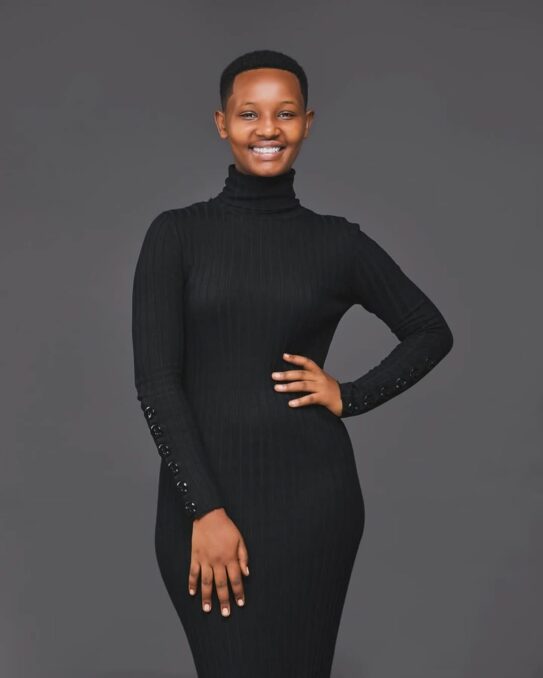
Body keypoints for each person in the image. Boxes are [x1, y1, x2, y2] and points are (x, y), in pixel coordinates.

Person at [131, 49, 454, 678]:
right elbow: (157, 382)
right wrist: (206, 510)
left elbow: (429, 331)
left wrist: (350, 395)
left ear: (307, 123)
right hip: (203, 504)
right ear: (222, 123)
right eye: (249, 113)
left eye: (284, 114)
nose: (268, 128)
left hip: (313, 504)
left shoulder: (337, 242)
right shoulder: (176, 235)